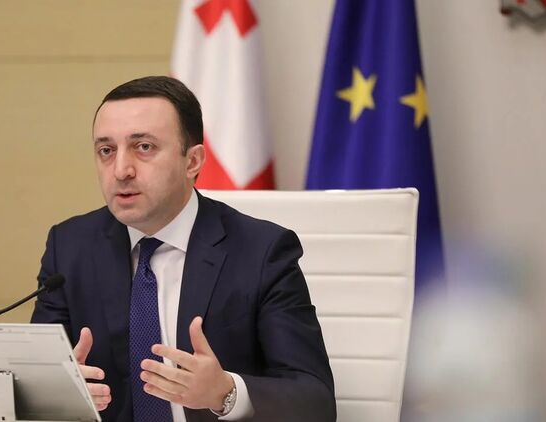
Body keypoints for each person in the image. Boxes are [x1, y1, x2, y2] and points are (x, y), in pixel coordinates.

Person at [31, 76, 335, 422]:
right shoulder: (70, 247)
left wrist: (226, 392)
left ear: (192, 162)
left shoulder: (261, 252)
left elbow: (315, 401)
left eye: (144, 147)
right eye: (106, 151)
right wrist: (56, 392)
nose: (121, 170)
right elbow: (32, 382)